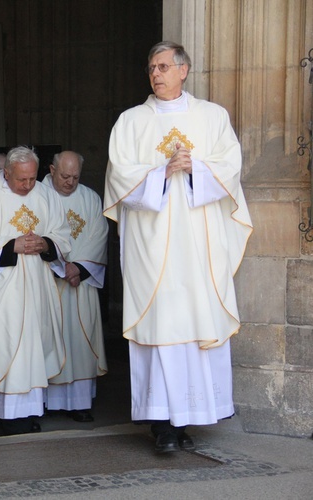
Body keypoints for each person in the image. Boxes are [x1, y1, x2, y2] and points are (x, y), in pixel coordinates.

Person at [104, 41, 253, 453]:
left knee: (194, 322)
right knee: (161, 327)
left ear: (184, 71)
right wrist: (160, 171)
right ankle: (162, 424)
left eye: (164, 66)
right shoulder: (131, 121)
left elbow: (231, 166)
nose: (156, 73)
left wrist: (195, 169)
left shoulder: (212, 116)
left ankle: (189, 418)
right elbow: (118, 176)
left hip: (199, 244)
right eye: (152, 67)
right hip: (152, 248)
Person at [0, 146, 72, 435]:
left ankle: (28, 412)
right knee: (2, 346)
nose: (28, 185)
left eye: (32, 179)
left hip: (37, 286)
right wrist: (10, 246)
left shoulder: (45, 195)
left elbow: (62, 233)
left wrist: (46, 244)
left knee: (32, 346)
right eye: (21, 180)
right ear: (6, 173)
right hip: (0, 287)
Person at [42, 151, 108, 422]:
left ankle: (79, 403)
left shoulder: (90, 198)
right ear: (51, 170)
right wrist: (59, 265)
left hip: (80, 283)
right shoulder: (38, 195)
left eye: (75, 177)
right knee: (47, 338)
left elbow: (99, 235)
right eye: (64, 176)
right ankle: (43, 401)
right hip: (47, 281)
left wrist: (79, 268)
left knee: (79, 342)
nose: (70, 182)